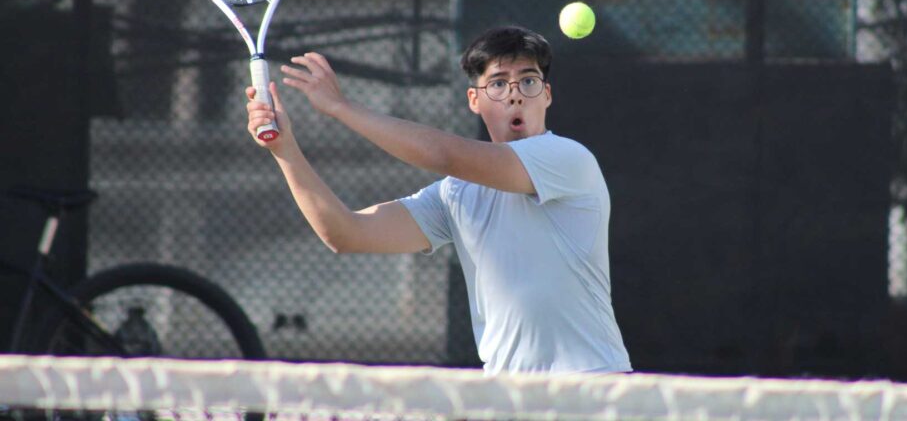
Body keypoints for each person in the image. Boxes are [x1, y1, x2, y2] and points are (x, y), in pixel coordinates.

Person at [245, 25, 631, 375]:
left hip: (592, 388)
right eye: (497, 83)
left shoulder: (569, 159)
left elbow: (445, 154)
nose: (515, 95)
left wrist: (342, 108)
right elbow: (345, 233)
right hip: (507, 399)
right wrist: (285, 149)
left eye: (528, 81)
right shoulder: (456, 194)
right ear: (474, 100)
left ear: (546, 96)